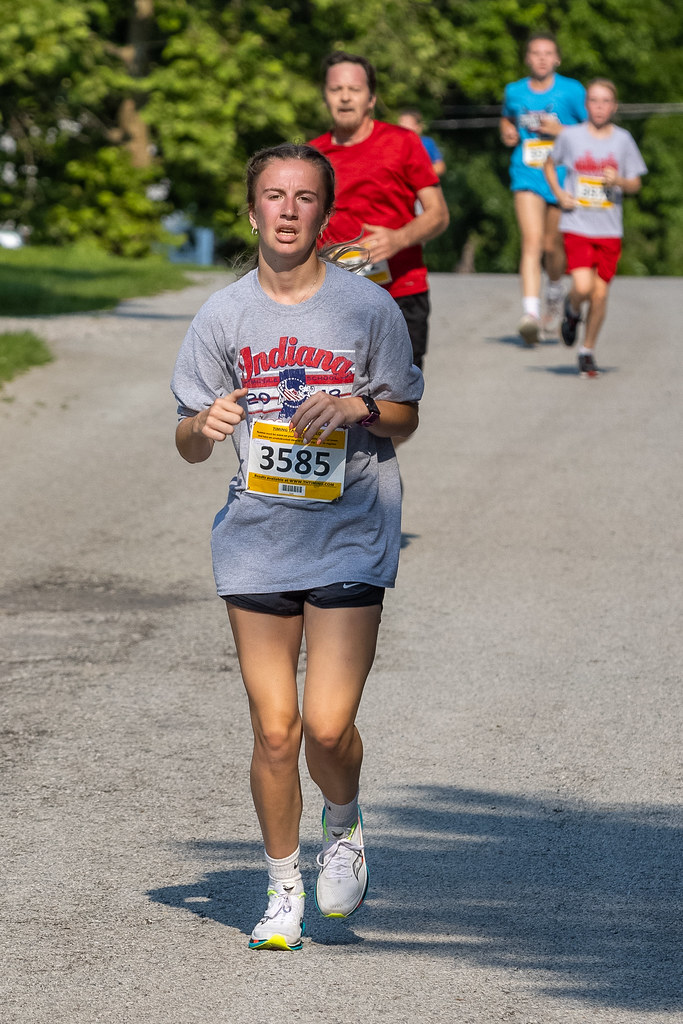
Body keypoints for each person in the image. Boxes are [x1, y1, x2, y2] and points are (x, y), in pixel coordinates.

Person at [171, 143, 423, 951]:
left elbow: (406, 416)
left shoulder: (366, 310)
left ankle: (341, 823)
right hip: (257, 541)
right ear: (251, 213)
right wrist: (200, 428)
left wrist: (357, 405)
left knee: (323, 727)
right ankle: (282, 888)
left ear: (323, 212)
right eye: (272, 197)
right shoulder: (222, 316)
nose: (287, 210)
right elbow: (185, 435)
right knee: (274, 730)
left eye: (304, 197)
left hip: (349, 531)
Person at [309, 51, 450, 371]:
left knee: (394, 409)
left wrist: (399, 239)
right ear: (325, 96)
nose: (345, 97)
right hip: (331, 299)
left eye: (354, 89)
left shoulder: (403, 142)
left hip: (400, 292)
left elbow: (438, 213)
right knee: (332, 407)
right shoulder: (311, 154)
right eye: (335, 89)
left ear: (371, 98)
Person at [544, 79, 647, 377]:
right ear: (586, 105)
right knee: (584, 287)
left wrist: (620, 181)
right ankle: (573, 307)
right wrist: (559, 193)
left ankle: (586, 350)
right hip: (577, 224)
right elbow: (549, 164)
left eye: (605, 101)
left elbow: (636, 183)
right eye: (594, 100)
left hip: (609, 229)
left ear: (614, 107)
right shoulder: (572, 136)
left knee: (600, 295)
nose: (599, 107)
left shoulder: (623, 140)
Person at [500, 33, 586, 345]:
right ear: (527, 58)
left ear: (557, 59)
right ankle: (530, 315)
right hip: (527, 173)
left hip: (563, 176)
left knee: (553, 247)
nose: (541, 58)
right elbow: (507, 118)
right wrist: (508, 131)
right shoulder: (514, 91)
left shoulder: (572, 90)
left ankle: (553, 291)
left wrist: (560, 129)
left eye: (548, 53)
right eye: (535, 53)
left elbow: (592, 132)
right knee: (532, 242)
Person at [398, 110, 447, 176]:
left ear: (418, 127)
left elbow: (440, 167)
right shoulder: (394, 145)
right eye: (401, 123)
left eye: (407, 124)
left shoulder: (426, 143)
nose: (403, 127)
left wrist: (418, 172)